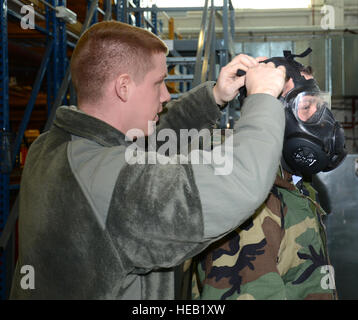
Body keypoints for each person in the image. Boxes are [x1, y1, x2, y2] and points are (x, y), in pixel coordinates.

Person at [10, 21, 287, 300]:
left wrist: (214, 96)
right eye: (159, 83)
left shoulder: (49, 147)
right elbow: (239, 180)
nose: (166, 95)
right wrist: (262, 99)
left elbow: (143, 146)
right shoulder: (119, 185)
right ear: (124, 87)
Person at [191, 50, 347, 300]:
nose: (321, 121)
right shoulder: (246, 196)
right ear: (272, 111)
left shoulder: (295, 180)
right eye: (306, 106)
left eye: (320, 105)